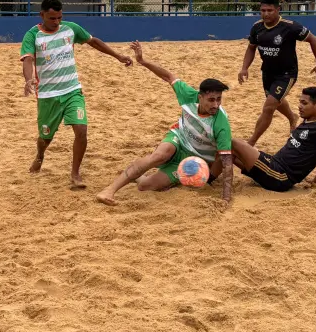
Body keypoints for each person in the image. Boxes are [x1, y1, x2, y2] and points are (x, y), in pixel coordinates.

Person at [96, 41, 233, 208]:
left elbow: (227, 162)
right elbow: (168, 76)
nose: (216, 105)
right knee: (159, 156)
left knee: (144, 186)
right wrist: (142, 61)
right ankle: (109, 190)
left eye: (219, 99)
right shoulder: (189, 95)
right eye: (211, 100)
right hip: (178, 138)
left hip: (194, 161)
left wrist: (226, 199)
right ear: (200, 97)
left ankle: (138, 174)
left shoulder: (221, 122)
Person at [20, 0, 132, 189]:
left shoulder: (70, 29)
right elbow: (28, 60)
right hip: (48, 95)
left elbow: (93, 41)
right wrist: (28, 79)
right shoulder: (33, 35)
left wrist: (118, 55)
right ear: (42, 15)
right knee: (45, 138)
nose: (56, 22)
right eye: (52, 18)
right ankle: (40, 154)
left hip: (72, 90)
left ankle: (75, 174)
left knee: (81, 131)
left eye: (59, 18)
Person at [231, 87, 316, 210]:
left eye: (304, 103)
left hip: (279, 176)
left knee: (234, 143)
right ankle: (211, 178)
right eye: (300, 102)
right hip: (272, 164)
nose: (299, 106)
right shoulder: (309, 120)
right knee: (228, 150)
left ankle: (212, 179)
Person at [238, 0, 316, 146]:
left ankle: (250, 143)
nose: (266, 14)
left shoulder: (290, 27)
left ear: (278, 10)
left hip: (287, 73)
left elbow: (313, 39)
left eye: (270, 10)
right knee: (276, 101)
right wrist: (244, 68)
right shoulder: (257, 27)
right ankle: (292, 117)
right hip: (267, 72)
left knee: (269, 106)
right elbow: (251, 48)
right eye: (263, 10)